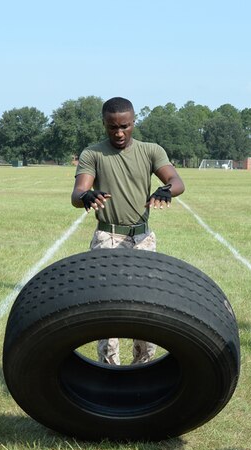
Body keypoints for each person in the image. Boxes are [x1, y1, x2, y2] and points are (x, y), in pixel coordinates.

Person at [70, 97, 185, 364]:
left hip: (142, 238)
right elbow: (77, 193)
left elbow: (176, 181)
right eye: (112, 127)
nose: (119, 133)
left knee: (146, 306)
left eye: (125, 126)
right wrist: (86, 196)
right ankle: (109, 372)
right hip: (107, 236)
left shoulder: (151, 151)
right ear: (104, 124)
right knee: (107, 307)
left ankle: (142, 369)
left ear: (134, 123)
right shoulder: (93, 154)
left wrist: (166, 190)